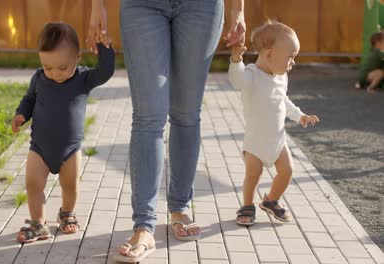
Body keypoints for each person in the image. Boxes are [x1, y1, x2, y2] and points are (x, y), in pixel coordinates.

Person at [88, 0, 246, 262]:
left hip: (202, 7)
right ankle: (144, 226)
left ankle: (180, 208)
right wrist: (97, 5)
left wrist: (238, 9)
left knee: (186, 113)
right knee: (149, 115)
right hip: (142, 6)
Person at [12, 22, 114, 243]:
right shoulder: (39, 78)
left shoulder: (83, 79)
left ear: (77, 57)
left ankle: (66, 213)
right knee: (33, 184)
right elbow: (29, 100)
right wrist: (21, 115)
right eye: (48, 67)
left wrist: (104, 47)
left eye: (62, 67)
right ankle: (38, 223)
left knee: (70, 186)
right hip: (39, 147)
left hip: (70, 150)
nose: (55, 73)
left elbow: (106, 72)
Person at [228, 21, 320, 226]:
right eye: (290, 57)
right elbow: (237, 81)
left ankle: (271, 200)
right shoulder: (251, 75)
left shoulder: (281, 77)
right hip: (256, 141)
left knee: (287, 170)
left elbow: (283, 101)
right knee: (253, 174)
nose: (293, 63)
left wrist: (299, 115)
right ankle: (247, 206)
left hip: (278, 139)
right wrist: (236, 60)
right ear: (269, 54)